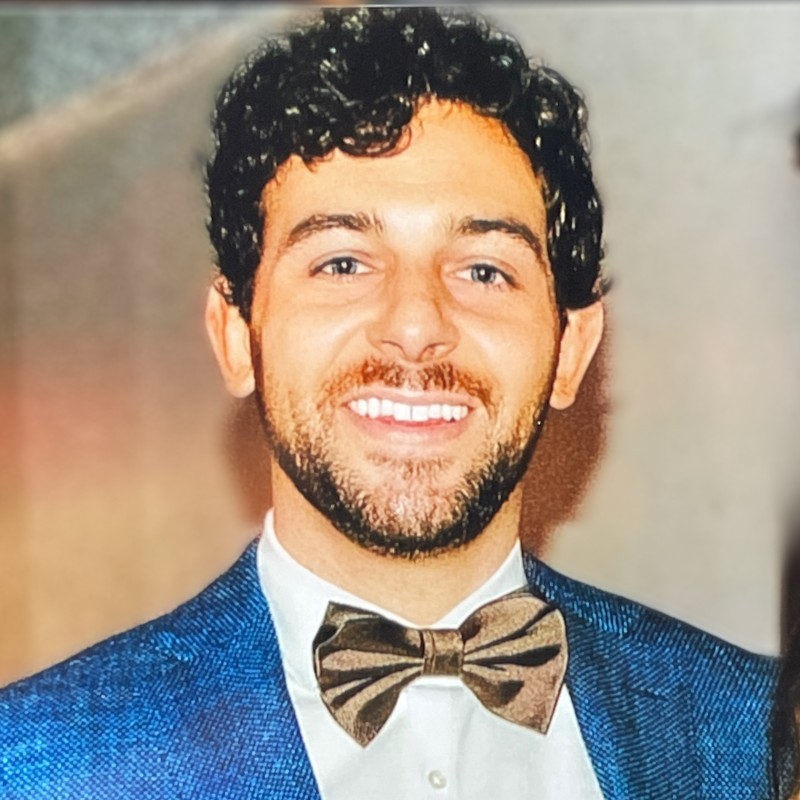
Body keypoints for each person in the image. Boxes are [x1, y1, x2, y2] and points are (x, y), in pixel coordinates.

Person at [0, 7, 777, 798]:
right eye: (342, 264)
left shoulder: (760, 741)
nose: (414, 326)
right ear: (236, 335)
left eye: (483, 270)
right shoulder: (32, 767)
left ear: (571, 349)